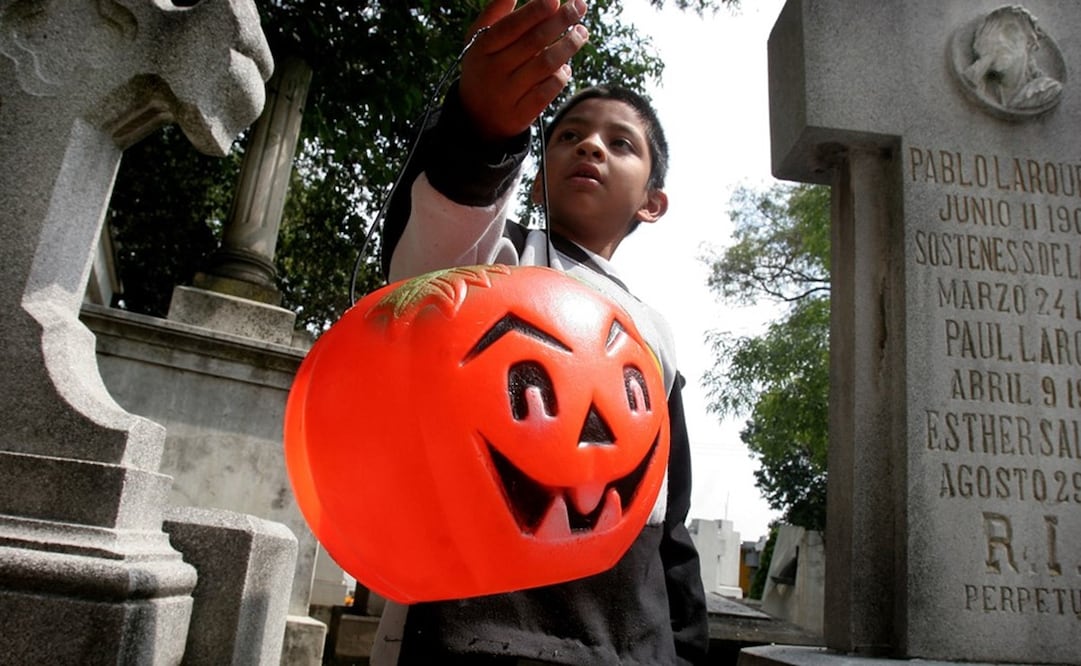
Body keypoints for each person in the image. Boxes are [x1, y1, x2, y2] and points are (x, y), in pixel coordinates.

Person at [374, 1, 709, 664]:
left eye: (621, 143)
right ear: (534, 184)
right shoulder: (493, 258)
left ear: (652, 201)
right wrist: (481, 132)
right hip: (474, 630)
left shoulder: (655, 333)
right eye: (568, 134)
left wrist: (684, 649)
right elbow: (424, 268)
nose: (590, 145)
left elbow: (670, 517)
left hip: (625, 642)